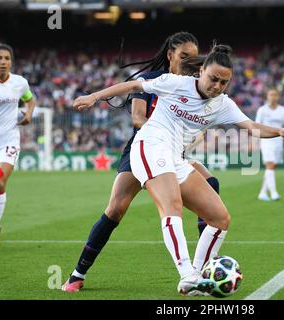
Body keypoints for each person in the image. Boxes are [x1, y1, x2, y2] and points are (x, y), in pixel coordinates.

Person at [73, 43, 284, 295]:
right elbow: (133, 85)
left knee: (220, 218)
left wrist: (280, 131)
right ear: (202, 70)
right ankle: (187, 275)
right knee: (168, 206)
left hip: (176, 157)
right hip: (149, 145)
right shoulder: (175, 83)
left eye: (223, 83)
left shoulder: (223, 104)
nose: (216, 86)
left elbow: (251, 126)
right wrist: (94, 97)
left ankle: (198, 273)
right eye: (213, 78)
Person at [61, 33, 218, 292]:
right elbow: (137, 118)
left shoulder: (194, 85)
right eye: (184, 57)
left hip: (175, 153)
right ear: (170, 55)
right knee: (115, 210)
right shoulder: (150, 80)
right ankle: (77, 275)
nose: (190, 62)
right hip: (143, 150)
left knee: (211, 182)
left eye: (194, 57)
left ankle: (202, 269)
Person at [0, 41, 36, 247]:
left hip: (8, 140)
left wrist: (29, 114)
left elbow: (30, 99)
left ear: (11, 62)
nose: (3, 62)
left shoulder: (19, 82)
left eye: (6, 58)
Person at [255, 88, 284, 201]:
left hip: (279, 141)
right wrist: (255, 141)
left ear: (278, 97)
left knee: (272, 166)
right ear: (267, 96)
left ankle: (262, 193)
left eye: (275, 95)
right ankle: (274, 193)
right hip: (266, 140)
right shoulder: (262, 110)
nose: (272, 97)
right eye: (270, 94)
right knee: (270, 164)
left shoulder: (283, 110)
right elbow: (255, 125)